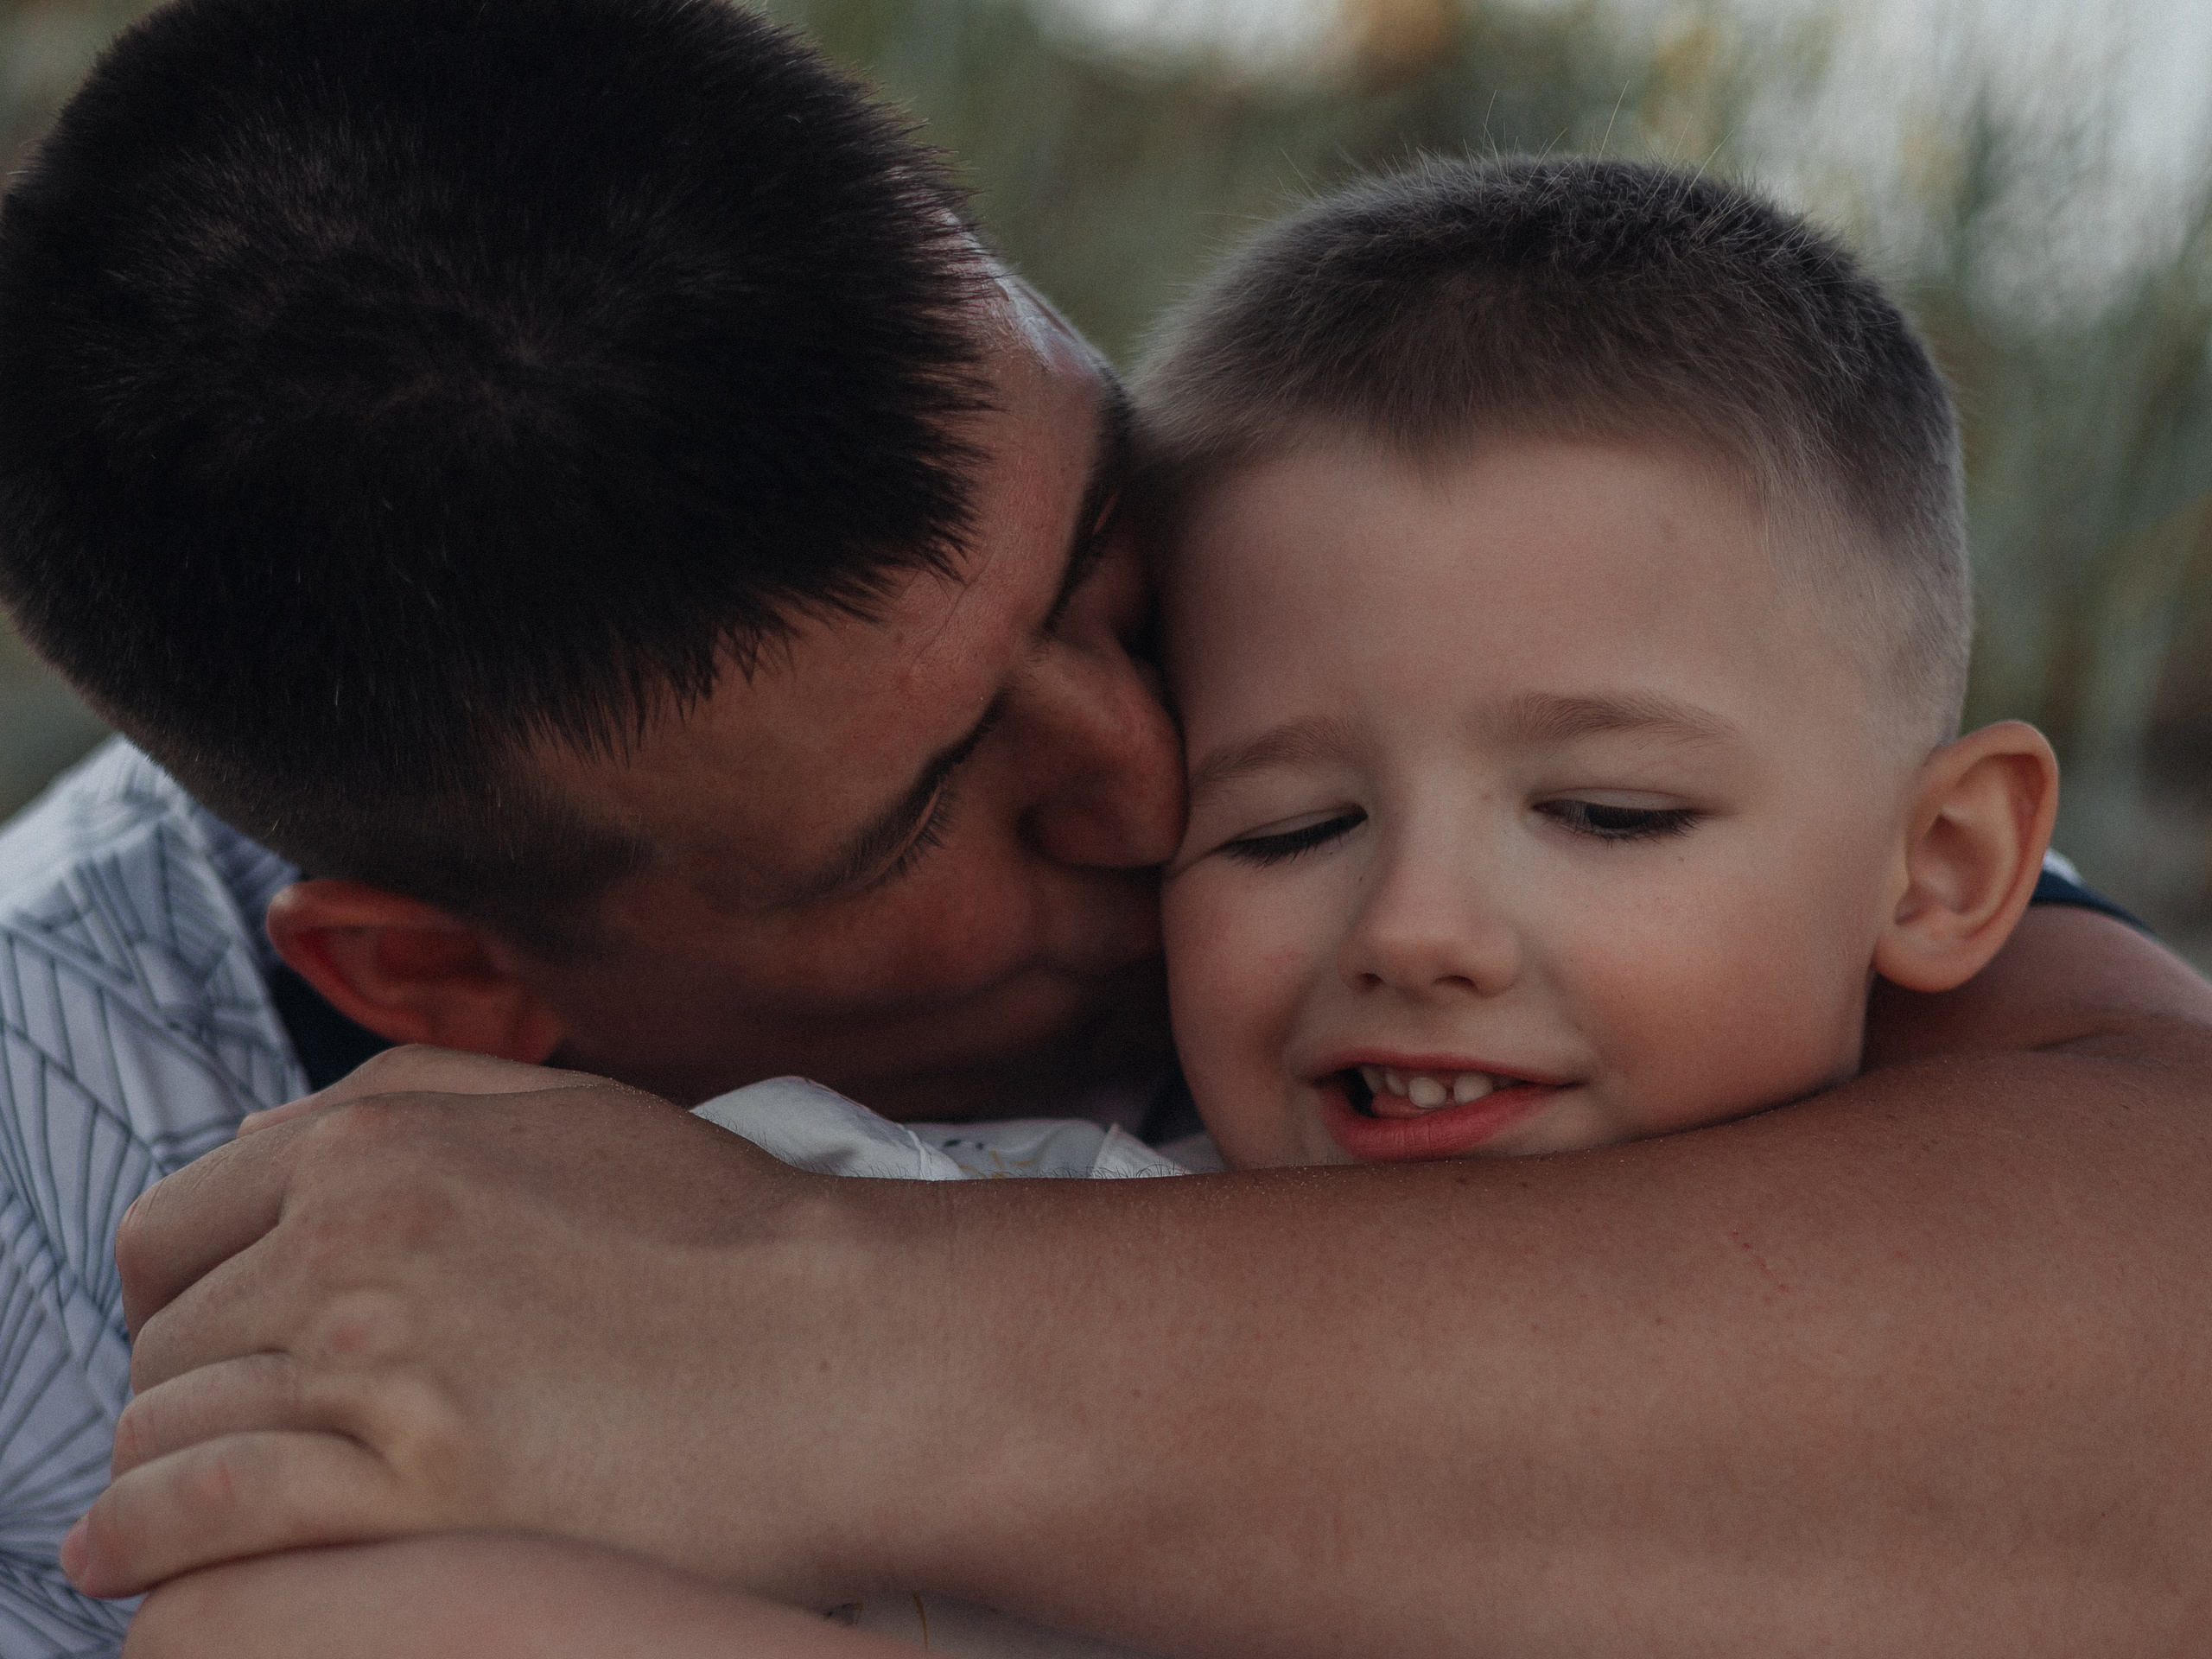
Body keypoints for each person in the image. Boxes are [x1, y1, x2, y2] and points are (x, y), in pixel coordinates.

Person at [0, 2, 2204, 1655]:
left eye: (1103, 578)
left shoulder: (1388, 600)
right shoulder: (59, 1167)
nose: (1170, 779)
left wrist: (798, 1346)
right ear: (443, 984)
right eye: (931, 808)